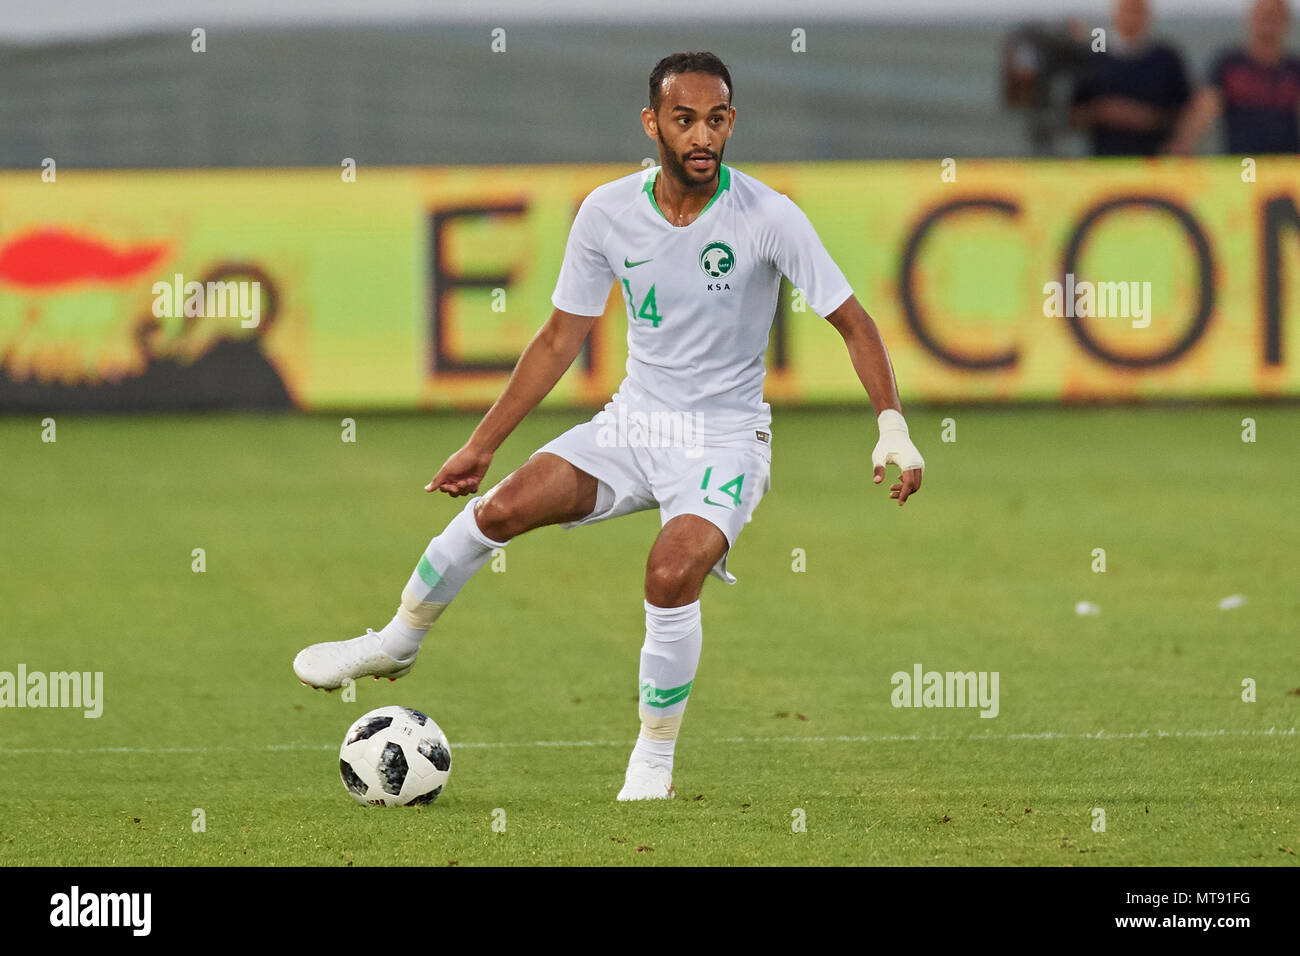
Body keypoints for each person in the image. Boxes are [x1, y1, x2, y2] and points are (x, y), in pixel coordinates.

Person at [292, 51, 925, 801]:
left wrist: (892, 424)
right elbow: (561, 337)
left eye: (716, 120)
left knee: (669, 572)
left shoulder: (769, 217)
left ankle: (652, 762)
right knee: (494, 513)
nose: (702, 136)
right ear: (652, 122)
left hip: (723, 442)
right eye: (684, 119)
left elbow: (852, 322)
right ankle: (395, 642)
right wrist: (482, 444)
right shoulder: (607, 213)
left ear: (731, 123)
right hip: (632, 425)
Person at [1166, 0, 1300, 155]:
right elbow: (1205, 109)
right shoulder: (1229, 64)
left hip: (1286, 164)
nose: (1267, 22)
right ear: (1250, 19)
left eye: (1274, 17)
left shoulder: (1294, 69)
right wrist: (1179, 148)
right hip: (1240, 164)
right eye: (1263, 16)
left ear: (1286, 22)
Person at [1070, 0, 1191, 155]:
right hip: (1104, 161)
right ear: (1114, 14)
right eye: (1127, 10)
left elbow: (1186, 110)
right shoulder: (1094, 58)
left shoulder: (1167, 58)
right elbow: (1073, 115)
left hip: (1156, 160)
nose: (1131, 17)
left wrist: (1146, 118)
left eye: (1137, 11)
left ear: (1148, 15)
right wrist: (1103, 112)